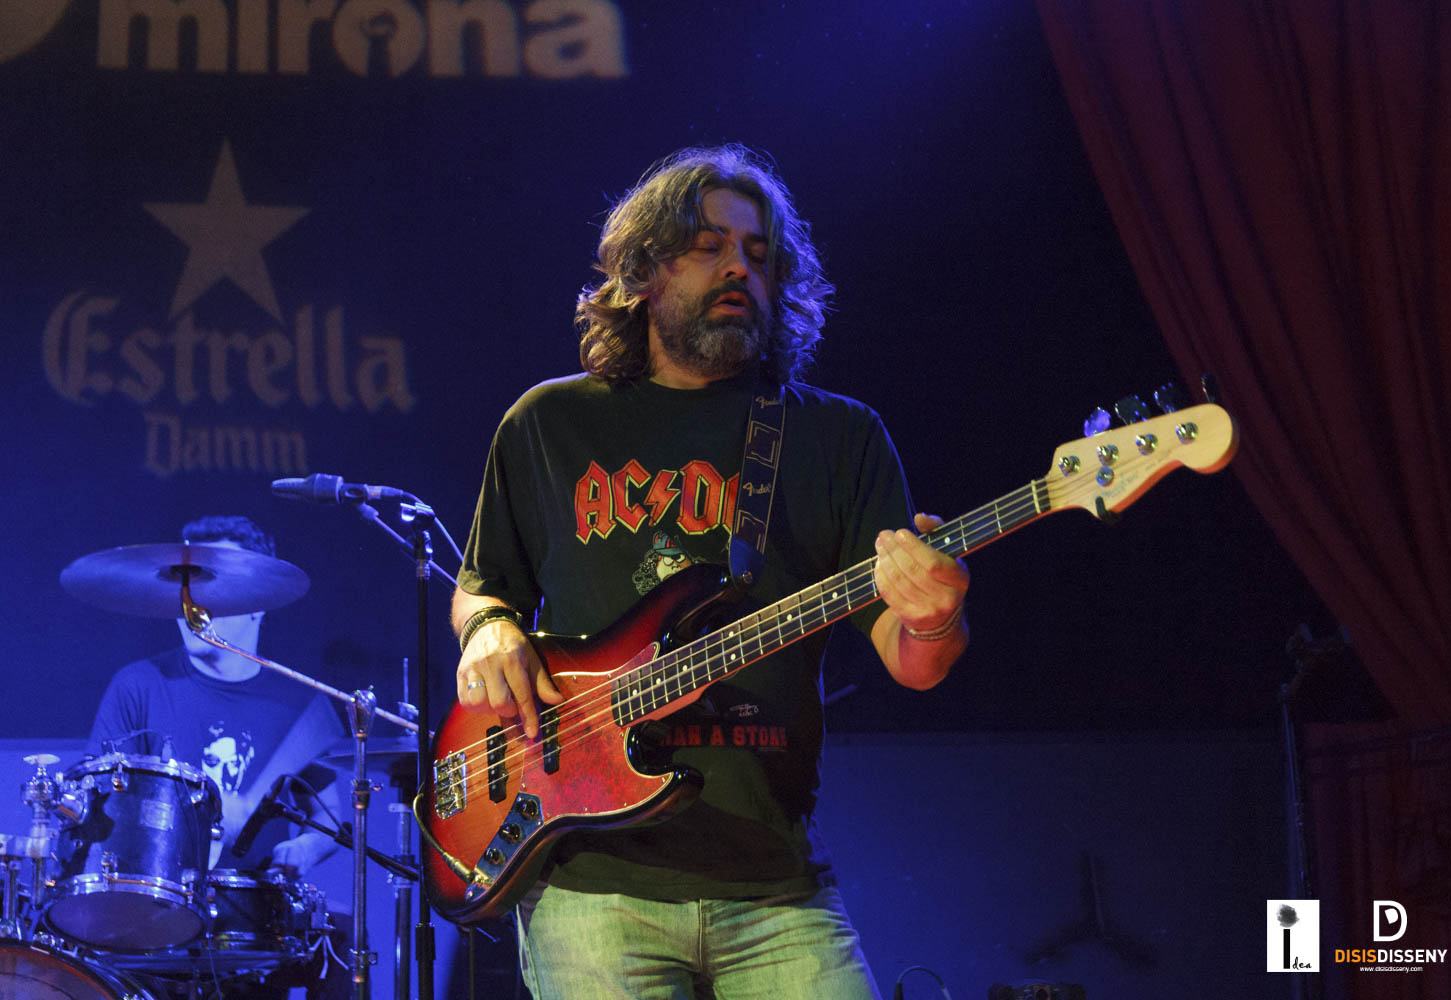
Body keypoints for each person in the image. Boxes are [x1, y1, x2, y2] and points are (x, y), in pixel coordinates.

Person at [452, 145, 970, 998]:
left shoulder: (838, 437)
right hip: (590, 876)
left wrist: (934, 615)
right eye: (708, 246)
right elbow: (483, 586)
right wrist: (487, 627)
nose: (739, 267)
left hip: (774, 878)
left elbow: (916, 664)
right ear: (644, 272)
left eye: (759, 255)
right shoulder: (547, 423)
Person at [86, 515, 348, 998]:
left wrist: (305, 850)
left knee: (344, 944)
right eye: (186, 586)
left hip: (254, 921)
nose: (192, 603)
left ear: (258, 602)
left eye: (212, 584)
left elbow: (329, 815)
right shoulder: (138, 685)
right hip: (154, 921)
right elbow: (101, 804)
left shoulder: (299, 702)